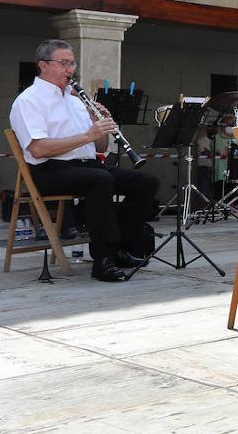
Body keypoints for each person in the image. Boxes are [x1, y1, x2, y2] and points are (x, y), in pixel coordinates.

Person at [9, 39, 159, 282]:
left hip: (86, 167)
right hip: (48, 171)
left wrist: (96, 126)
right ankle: (103, 260)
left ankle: (122, 247)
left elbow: (98, 148)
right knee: (99, 180)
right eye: (64, 63)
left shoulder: (75, 100)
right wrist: (87, 134)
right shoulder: (29, 101)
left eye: (72, 64)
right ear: (43, 66)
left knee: (146, 182)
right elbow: (38, 149)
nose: (70, 70)